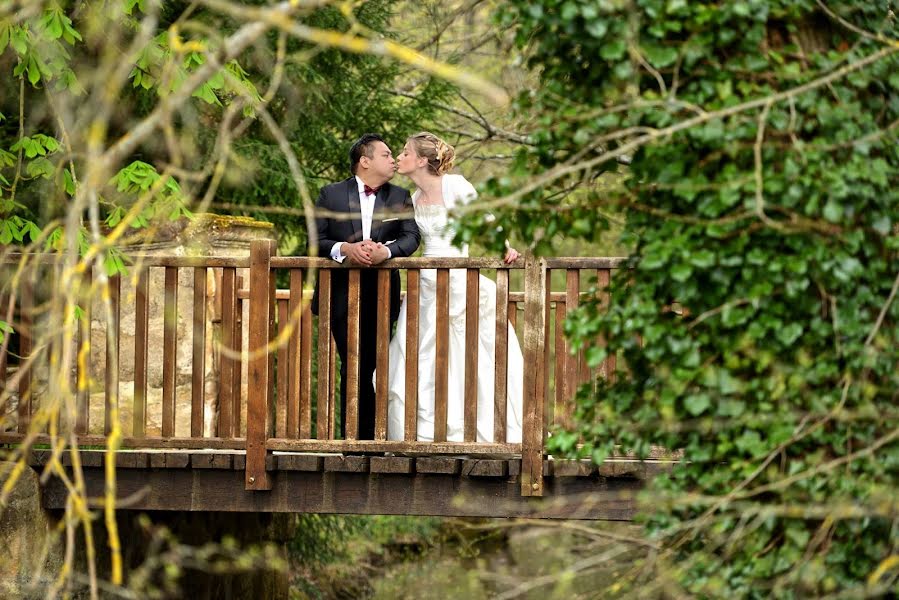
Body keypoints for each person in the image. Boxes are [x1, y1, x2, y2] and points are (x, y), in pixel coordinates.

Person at [384, 132, 524, 443]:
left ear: (421, 160)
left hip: (459, 277)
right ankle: (421, 432)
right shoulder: (414, 198)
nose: (399, 156)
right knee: (416, 353)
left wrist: (503, 245)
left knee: (466, 354)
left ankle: (472, 429)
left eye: (405, 152)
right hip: (425, 283)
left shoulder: (455, 185)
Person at [311, 133, 420, 439]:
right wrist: (347, 250)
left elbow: (411, 237)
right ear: (365, 161)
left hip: (382, 295)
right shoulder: (330, 194)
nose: (393, 159)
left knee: (378, 366)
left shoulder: (400, 196)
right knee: (352, 365)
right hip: (341, 294)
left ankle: (376, 438)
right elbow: (315, 240)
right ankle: (353, 441)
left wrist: (386, 251)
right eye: (386, 155)